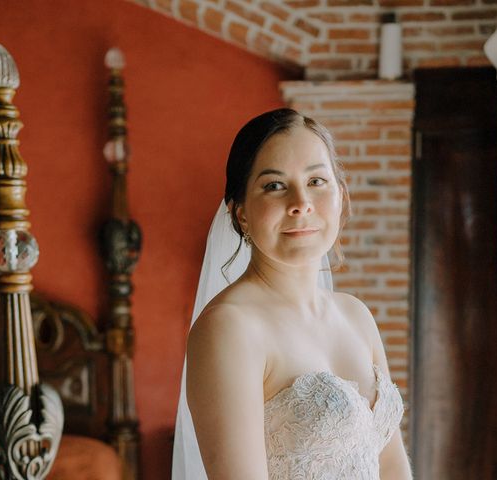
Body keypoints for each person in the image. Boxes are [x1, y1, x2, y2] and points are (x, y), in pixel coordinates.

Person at [172, 108, 412, 479]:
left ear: (341, 196)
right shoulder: (229, 328)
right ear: (241, 215)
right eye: (274, 185)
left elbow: (393, 467)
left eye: (317, 181)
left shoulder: (356, 315)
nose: (301, 202)